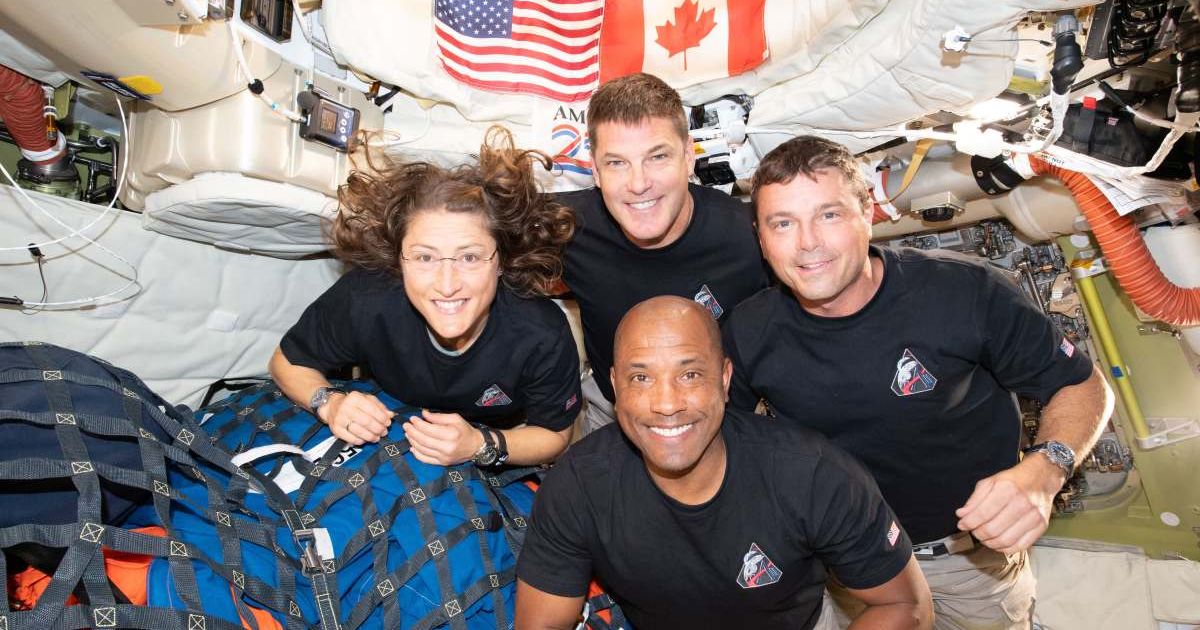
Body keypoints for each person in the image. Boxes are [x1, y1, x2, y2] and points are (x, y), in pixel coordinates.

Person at [722, 135, 1116, 628]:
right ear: (761, 237)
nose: (807, 243)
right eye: (783, 223)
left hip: (968, 567)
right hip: (843, 571)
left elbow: (1082, 384)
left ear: (867, 214)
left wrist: (1046, 469)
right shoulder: (747, 331)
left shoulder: (964, 294)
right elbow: (722, 442)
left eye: (829, 215)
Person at [515, 296, 933, 630]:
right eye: (641, 378)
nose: (665, 404)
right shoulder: (577, 487)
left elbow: (906, 605)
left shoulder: (812, 474)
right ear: (615, 389)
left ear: (725, 379)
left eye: (690, 375)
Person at [269, 127, 582, 467]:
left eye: (470, 257)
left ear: (502, 262)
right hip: (383, 437)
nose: (447, 285)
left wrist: (478, 444)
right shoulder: (366, 297)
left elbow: (554, 434)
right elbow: (287, 361)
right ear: (398, 261)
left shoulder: (541, 334)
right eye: (424, 258)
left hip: (491, 443)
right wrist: (329, 403)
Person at [556, 73, 768, 434]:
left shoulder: (748, 237)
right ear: (595, 170)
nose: (638, 183)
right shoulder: (564, 227)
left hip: (725, 419)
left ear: (688, 158)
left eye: (657, 157)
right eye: (617, 163)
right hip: (614, 415)